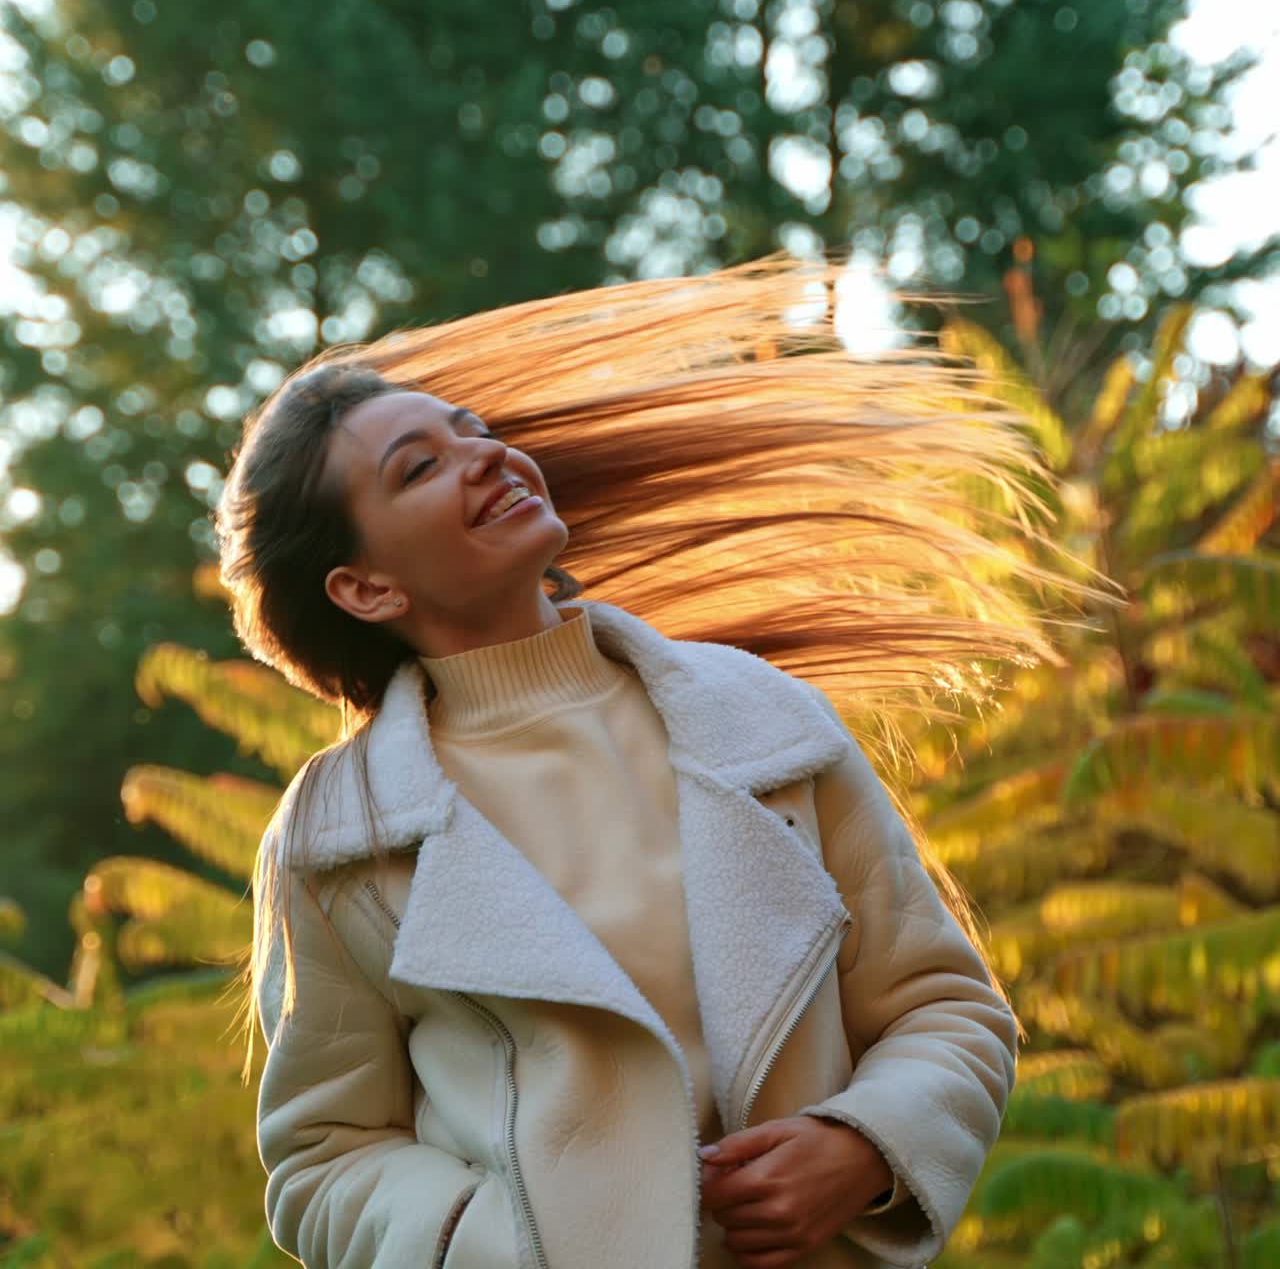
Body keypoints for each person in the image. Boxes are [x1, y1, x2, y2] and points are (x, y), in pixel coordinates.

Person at [225, 255, 1061, 1269]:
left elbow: (948, 1008)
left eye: (475, 430)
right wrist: (497, 1246)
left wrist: (863, 1147)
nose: (485, 456)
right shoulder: (338, 838)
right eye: (419, 467)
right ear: (365, 589)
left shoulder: (762, 715)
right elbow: (323, 1158)